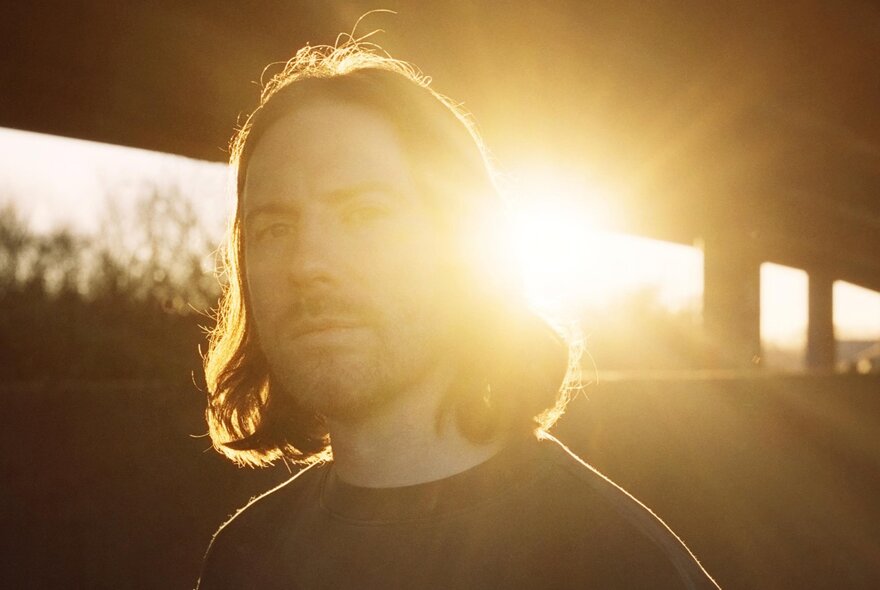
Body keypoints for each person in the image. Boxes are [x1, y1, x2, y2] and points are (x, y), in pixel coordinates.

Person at [197, 39, 720, 589]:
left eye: (364, 215)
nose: (309, 263)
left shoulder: (615, 564)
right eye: (274, 229)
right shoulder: (244, 559)